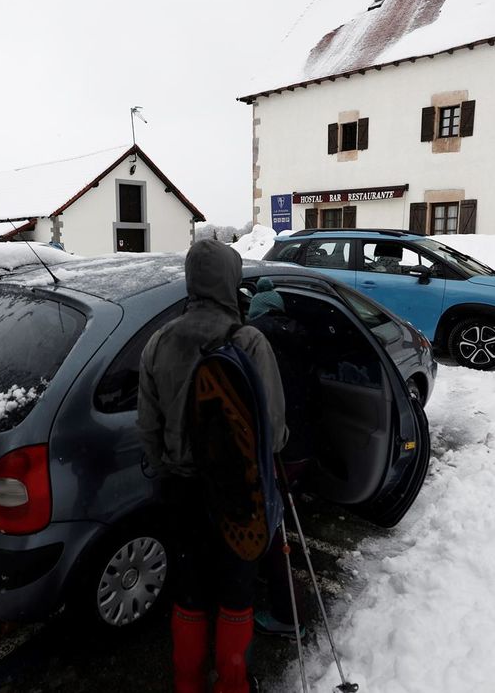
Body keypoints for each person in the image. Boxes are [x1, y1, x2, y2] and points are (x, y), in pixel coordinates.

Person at [139, 241, 288, 693]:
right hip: (237, 494)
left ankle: (188, 683)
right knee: (235, 592)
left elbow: (147, 427)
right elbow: (275, 432)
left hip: (180, 492)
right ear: (230, 280)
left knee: (189, 590)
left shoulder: (159, 341)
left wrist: (167, 467)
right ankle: (232, 683)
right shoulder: (249, 341)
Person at [246, 278, 312, 640]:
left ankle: (289, 615)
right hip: (303, 443)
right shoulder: (298, 334)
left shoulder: (254, 340)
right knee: (283, 516)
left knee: (273, 531)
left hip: (277, 446)